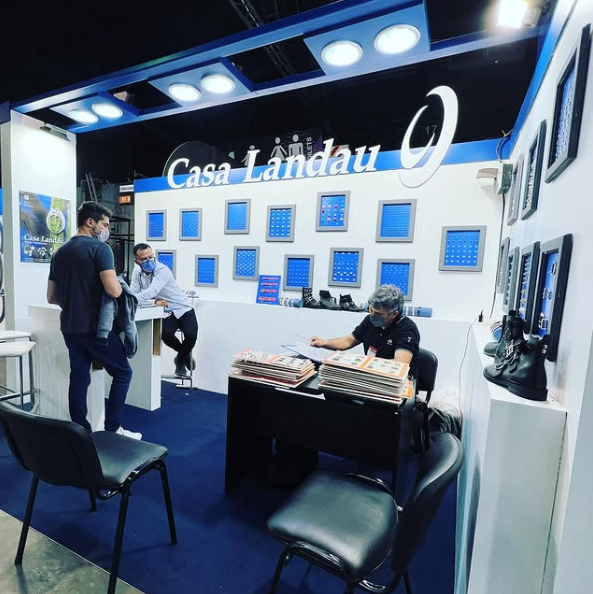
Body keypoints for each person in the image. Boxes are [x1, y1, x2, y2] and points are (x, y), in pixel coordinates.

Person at [47, 201, 140, 439]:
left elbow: (51, 297)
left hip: (70, 328)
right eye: (105, 225)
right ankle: (113, 430)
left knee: (79, 376)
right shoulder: (101, 249)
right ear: (90, 222)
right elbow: (113, 290)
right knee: (123, 373)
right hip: (97, 329)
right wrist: (119, 285)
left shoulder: (59, 253)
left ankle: (80, 434)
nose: (107, 230)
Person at [311, 284, 420, 377]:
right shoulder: (369, 320)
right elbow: (349, 341)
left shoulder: (407, 329)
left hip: (394, 382)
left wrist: (364, 364)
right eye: (370, 309)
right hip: (371, 375)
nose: (372, 315)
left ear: (394, 314)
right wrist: (324, 342)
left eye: (378, 313)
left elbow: (400, 363)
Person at [131, 243, 198, 377]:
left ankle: (180, 358)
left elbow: (151, 291)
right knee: (165, 335)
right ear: (137, 260)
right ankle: (185, 355)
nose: (149, 261)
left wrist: (132, 299)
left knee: (191, 335)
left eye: (151, 257)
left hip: (182, 307)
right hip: (166, 309)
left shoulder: (162, 270)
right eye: (144, 259)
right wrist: (153, 302)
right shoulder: (136, 273)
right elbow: (133, 293)